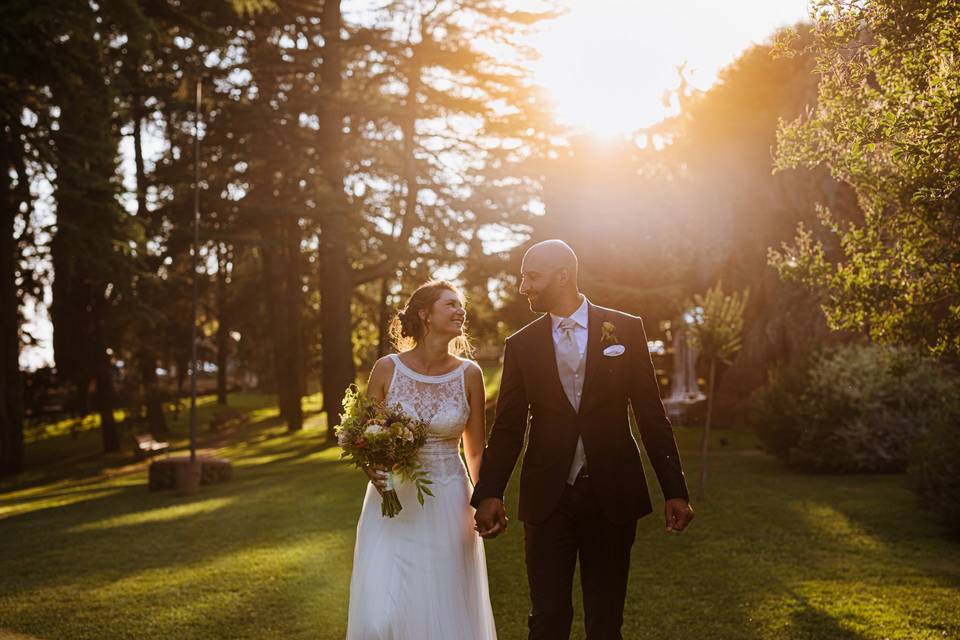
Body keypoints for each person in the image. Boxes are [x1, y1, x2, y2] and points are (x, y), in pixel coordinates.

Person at [472, 239, 695, 640]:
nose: (524, 287)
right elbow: (507, 427)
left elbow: (650, 415)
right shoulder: (520, 345)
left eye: (531, 276)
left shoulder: (625, 329)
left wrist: (675, 490)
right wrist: (489, 492)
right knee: (547, 617)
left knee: (606, 620)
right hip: (547, 499)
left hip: (612, 493)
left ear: (563, 276)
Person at [345, 280, 496, 640]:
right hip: (392, 499)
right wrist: (376, 471)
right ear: (424, 313)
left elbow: (475, 449)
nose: (460, 311)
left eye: (461, 306)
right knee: (382, 609)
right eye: (450, 304)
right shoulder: (387, 368)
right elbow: (366, 437)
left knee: (443, 600)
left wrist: (487, 499)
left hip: (449, 497)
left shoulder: (469, 374)